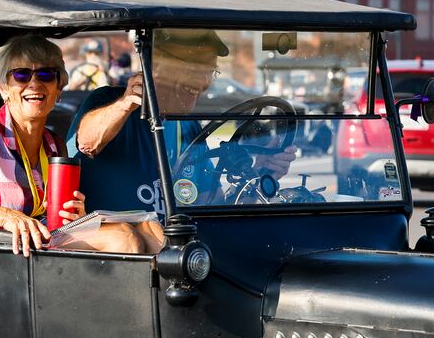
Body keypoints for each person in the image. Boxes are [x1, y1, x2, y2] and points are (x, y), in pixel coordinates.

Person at [0, 34, 157, 257]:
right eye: (21, 75)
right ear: (3, 88)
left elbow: (58, 224)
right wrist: (5, 217)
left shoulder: (54, 144)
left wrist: (76, 216)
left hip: (41, 247)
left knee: (152, 230)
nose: (34, 84)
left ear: (58, 89)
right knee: (123, 239)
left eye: (46, 75)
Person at [68, 29, 295, 213]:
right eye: (194, 66)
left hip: (179, 255)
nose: (204, 80)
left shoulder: (187, 125)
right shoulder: (108, 101)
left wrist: (260, 176)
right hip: (121, 257)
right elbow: (87, 142)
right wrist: (125, 103)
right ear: (155, 63)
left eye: (210, 70)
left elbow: (210, 207)